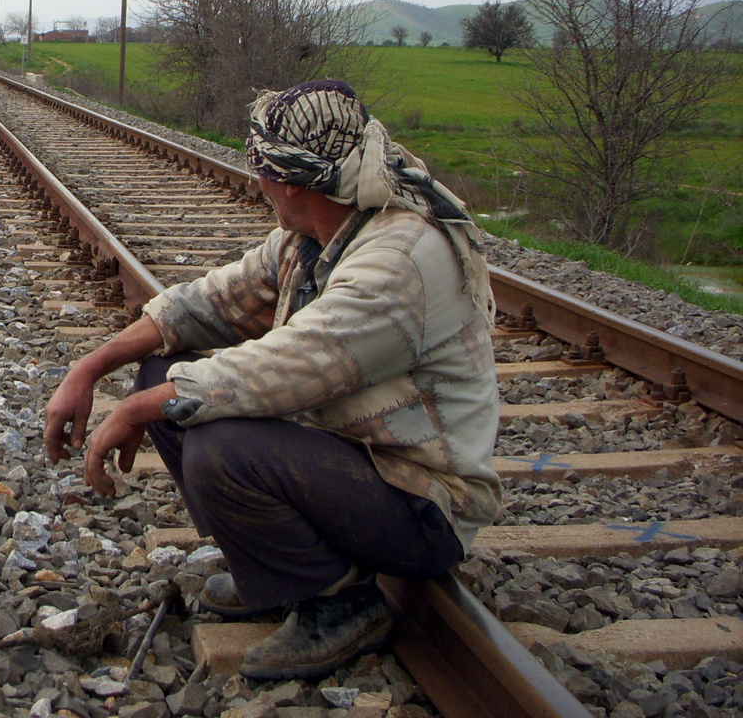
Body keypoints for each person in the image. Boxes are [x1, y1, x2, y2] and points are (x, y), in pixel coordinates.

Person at [43, 79, 501, 680]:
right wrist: (90, 367)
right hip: (356, 463)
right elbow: (205, 305)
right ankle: (278, 572)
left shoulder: (398, 261)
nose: (256, 182)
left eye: (258, 169)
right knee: (161, 371)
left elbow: (277, 369)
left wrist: (134, 412)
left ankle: (339, 605)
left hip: (424, 501)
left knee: (217, 442)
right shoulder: (315, 238)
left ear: (286, 180)